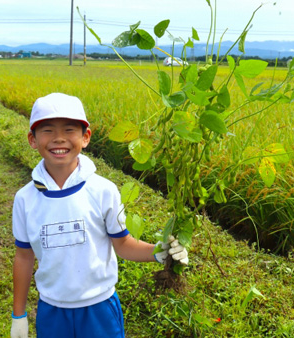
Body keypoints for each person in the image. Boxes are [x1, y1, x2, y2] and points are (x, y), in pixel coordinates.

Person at [10, 93, 189, 338]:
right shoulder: (25, 198)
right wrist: (18, 316)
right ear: (32, 139)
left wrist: (160, 252)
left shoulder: (103, 190)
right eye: (48, 130)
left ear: (85, 137)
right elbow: (23, 256)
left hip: (99, 309)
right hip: (51, 310)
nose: (59, 138)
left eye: (70, 130)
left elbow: (123, 245)